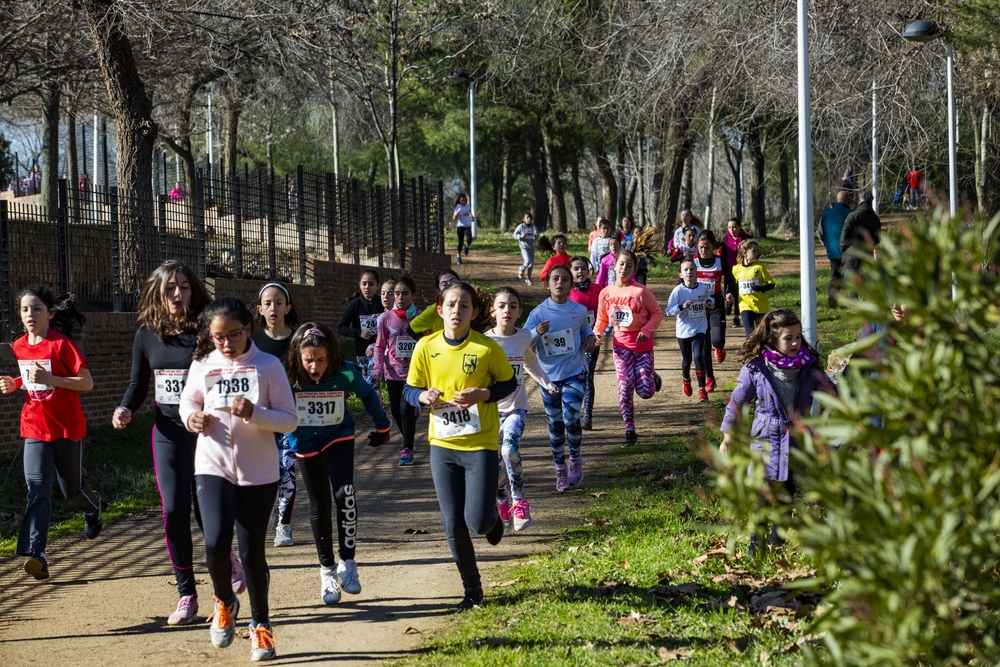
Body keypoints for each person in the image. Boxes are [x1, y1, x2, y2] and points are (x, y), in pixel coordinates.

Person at [179, 296, 297, 660]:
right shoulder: (202, 364)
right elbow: (188, 402)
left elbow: (289, 419)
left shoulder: (268, 365)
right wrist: (191, 419)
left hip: (258, 471)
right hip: (212, 465)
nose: (226, 343)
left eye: (233, 335)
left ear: (248, 329)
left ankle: (261, 626)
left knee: (251, 554)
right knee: (214, 544)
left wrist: (255, 413)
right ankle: (224, 601)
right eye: (218, 337)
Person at [112, 261, 225, 624]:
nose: (178, 294)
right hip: (167, 434)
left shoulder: (208, 330)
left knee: (207, 513)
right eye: (170, 288)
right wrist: (125, 408)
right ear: (158, 293)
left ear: (194, 290)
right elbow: (138, 385)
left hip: (207, 433)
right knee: (173, 510)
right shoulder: (146, 334)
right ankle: (187, 595)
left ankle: (228, 566)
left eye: (184, 287)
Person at [403, 281, 517, 611]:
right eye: (451, 305)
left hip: (479, 445)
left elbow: (508, 382)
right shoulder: (426, 347)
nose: (456, 310)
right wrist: (422, 396)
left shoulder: (485, 348)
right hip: (442, 444)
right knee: (452, 521)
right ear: (439, 310)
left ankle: (493, 520)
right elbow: (410, 390)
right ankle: (472, 590)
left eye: (464, 306)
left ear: (474, 313)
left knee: (477, 522)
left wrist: (483, 394)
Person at [285, 323, 391, 606]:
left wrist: (382, 427)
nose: (315, 367)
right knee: (320, 504)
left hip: (337, 437)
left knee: (346, 495)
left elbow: (368, 394)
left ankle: (349, 563)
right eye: (309, 360)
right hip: (305, 445)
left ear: (331, 356)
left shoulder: (344, 372)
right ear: (298, 357)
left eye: (321, 360)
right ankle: (327, 571)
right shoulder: (286, 377)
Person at [1, 287, 100, 582]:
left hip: (66, 428)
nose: (30, 315)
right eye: (24, 310)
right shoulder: (18, 345)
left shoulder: (61, 345)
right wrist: (14, 382)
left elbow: (87, 383)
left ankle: (93, 508)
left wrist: (50, 378)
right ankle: (37, 553)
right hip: (34, 427)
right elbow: (32, 378)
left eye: (37, 309)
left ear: (50, 313)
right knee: (37, 487)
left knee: (72, 491)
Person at [719, 309, 836, 556]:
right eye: (788, 338)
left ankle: (776, 545)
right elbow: (737, 402)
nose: (795, 342)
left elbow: (831, 394)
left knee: (786, 497)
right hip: (766, 440)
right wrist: (728, 435)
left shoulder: (810, 367)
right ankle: (755, 549)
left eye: (798, 336)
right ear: (773, 340)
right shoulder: (757, 369)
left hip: (796, 441)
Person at [486, 287, 555, 532]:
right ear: (492, 310)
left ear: (519, 311)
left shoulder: (524, 336)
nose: (507, 310)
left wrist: (547, 383)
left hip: (516, 408)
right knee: (493, 463)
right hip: (490, 414)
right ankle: (501, 496)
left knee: (510, 449)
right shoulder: (484, 342)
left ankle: (520, 501)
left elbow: (530, 360)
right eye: (502, 305)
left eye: (513, 306)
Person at [525, 264, 597, 491]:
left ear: (570, 285)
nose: (559, 283)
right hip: (548, 378)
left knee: (570, 419)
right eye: (555, 279)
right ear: (547, 285)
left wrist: (591, 339)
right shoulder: (538, 313)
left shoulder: (579, 310)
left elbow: (587, 331)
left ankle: (575, 459)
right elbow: (524, 341)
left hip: (574, 373)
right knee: (555, 424)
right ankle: (560, 470)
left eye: (564, 279)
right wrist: (536, 332)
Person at [594, 251, 664, 447]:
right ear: (614, 266)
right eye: (621, 264)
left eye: (629, 265)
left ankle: (652, 377)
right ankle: (630, 431)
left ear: (633, 269)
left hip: (642, 347)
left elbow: (657, 313)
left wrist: (647, 330)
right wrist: (597, 334)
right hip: (621, 348)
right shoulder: (606, 293)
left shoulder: (640, 292)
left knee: (646, 392)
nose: (624, 268)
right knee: (625, 389)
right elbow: (602, 319)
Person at [251, 283, 301, 548]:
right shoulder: (253, 343)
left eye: (279, 302)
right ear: (260, 309)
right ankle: (268, 510)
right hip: (260, 418)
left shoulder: (298, 340)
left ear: (288, 307)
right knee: (265, 471)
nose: (274, 308)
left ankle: (284, 524)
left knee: (287, 472)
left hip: (289, 418)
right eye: (268, 303)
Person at [373, 276, 421, 466]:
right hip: (392, 372)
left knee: (405, 408)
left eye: (405, 294)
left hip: (415, 373)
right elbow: (379, 345)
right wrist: (377, 367)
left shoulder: (420, 316)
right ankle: (408, 438)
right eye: (397, 294)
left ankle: (407, 448)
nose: (400, 298)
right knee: (396, 412)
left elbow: (429, 343)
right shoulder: (385, 318)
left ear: (413, 295)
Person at [666, 259, 714, 402]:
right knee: (687, 360)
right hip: (683, 330)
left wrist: (710, 303)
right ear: (680, 274)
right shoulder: (678, 291)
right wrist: (682, 306)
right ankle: (686, 379)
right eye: (686, 270)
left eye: (692, 269)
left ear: (696, 272)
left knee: (699, 356)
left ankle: (702, 390)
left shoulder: (703, 287)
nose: (689, 272)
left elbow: (709, 297)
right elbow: (669, 310)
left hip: (700, 327)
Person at [568, 256, 603, 430]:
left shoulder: (598, 289)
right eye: (576, 268)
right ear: (570, 271)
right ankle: (571, 412)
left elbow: (605, 312)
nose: (580, 272)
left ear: (589, 271)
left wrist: (598, 332)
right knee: (572, 377)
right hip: (570, 341)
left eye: (583, 268)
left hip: (590, 339)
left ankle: (587, 415)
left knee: (588, 375)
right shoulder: (565, 291)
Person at [338, 269, 383, 392]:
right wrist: (359, 333)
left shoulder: (382, 303)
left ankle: (376, 409)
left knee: (372, 382)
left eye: (371, 284)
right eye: (364, 284)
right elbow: (341, 328)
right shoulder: (354, 305)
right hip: (361, 352)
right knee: (367, 385)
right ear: (360, 285)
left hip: (379, 350)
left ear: (378, 285)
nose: (367, 287)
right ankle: (377, 408)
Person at [695, 229, 726, 386]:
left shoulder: (720, 261)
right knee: (704, 345)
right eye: (700, 247)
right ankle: (710, 378)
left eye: (707, 247)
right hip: (699, 308)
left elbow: (731, 280)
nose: (703, 250)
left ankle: (719, 347)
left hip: (716, 304)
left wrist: (730, 293)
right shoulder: (693, 263)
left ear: (713, 246)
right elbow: (683, 285)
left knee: (717, 339)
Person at [731, 240, 775, 338]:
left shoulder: (759, 268)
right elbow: (734, 287)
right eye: (754, 251)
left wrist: (760, 288)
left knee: (762, 334)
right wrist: (730, 301)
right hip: (745, 305)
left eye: (757, 251)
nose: (757, 253)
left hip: (760, 305)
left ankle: (761, 352)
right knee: (750, 333)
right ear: (745, 253)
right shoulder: (736, 269)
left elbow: (771, 284)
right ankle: (751, 353)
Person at [839, 190, 881, 291]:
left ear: (859, 200)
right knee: (867, 287)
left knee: (852, 287)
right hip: (867, 255)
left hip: (852, 255)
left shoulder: (852, 216)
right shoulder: (875, 218)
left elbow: (844, 235)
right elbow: (877, 238)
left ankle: (853, 307)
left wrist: (844, 249)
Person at [819, 190, 852, 307]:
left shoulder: (825, 214)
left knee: (835, 276)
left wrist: (826, 245)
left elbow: (821, 232)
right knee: (848, 276)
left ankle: (833, 298)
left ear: (836, 199)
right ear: (848, 200)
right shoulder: (852, 213)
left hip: (832, 251)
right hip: (848, 251)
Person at [408, 268, 460, 338]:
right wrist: (429, 343)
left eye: (453, 281)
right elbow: (411, 329)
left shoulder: (469, 305)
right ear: (438, 290)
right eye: (444, 284)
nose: (450, 285)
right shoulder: (432, 311)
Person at [720, 218, 753, 328]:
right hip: (729, 270)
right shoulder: (724, 239)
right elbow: (721, 255)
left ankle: (736, 317)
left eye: (734, 227)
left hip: (743, 271)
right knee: (729, 292)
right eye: (729, 227)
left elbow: (752, 252)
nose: (732, 229)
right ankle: (729, 303)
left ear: (739, 227)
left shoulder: (746, 239)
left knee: (740, 293)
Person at [512, 212, 538, 285]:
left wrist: (536, 233)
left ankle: (528, 278)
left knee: (531, 264)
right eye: (527, 217)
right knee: (527, 261)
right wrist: (520, 236)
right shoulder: (521, 226)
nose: (529, 219)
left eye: (530, 217)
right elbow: (514, 235)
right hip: (524, 247)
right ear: (524, 219)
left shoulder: (533, 226)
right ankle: (522, 268)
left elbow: (536, 236)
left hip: (532, 247)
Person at [453, 193, 474, 264]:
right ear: (459, 200)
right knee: (460, 242)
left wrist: (471, 217)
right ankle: (458, 256)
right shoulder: (457, 207)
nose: (464, 202)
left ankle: (467, 246)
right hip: (460, 226)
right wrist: (458, 212)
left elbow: (470, 213)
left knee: (469, 238)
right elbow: (454, 218)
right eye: (462, 200)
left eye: (465, 200)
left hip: (467, 226)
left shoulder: (468, 206)